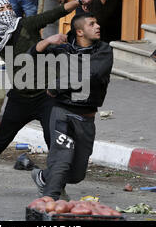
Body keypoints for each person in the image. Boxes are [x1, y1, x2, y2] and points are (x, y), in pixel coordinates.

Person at [0, 0, 94, 198]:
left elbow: (55, 13)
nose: (7, 11)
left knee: (54, 140)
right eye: (1, 10)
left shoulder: (26, 25)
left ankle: (58, 186)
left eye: (8, 6)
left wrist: (78, 1)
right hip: (19, 99)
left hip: (45, 96)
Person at [28, 13, 113, 201]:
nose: (97, 26)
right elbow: (31, 56)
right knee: (61, 160)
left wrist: (57, 85)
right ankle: (49, 200)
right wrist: (48, 40)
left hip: (87, 117)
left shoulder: (104, 51)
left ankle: (42, 177)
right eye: (92, 24)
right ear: (80, 31)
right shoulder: (64, 50)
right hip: (62, 113)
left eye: (97, 22)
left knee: (77, 174)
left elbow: (91, 74)